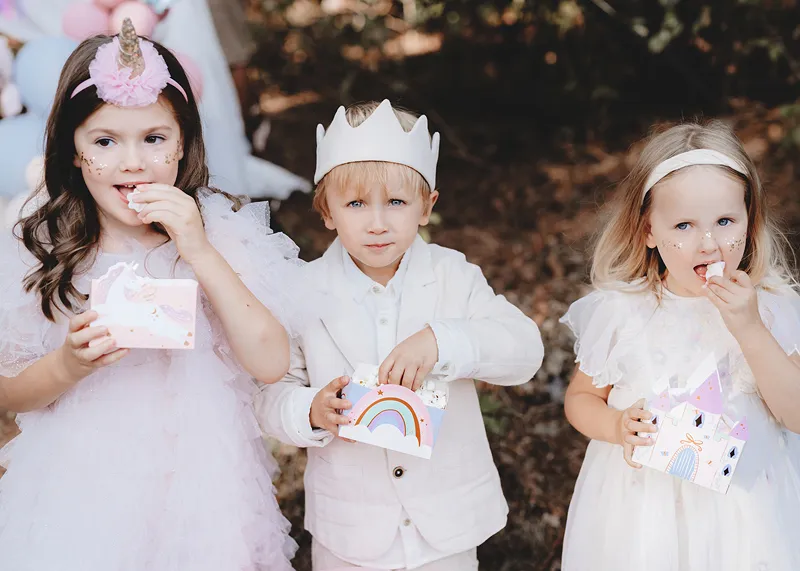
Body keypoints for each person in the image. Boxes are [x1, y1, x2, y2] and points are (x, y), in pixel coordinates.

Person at [0, 21, 300, 570]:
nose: (132, 162)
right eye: (105, 141)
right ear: (72, 149)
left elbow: (271, 361)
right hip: (79, 491)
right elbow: (8, 393)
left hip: (202, 488)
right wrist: (67, 365)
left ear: (183, 142)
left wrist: (200, 250)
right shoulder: (43, 245)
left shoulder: (219, 234)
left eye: (154, 139)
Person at [256, 99, 544, 570]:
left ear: (426, 206)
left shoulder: (452, 276)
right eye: (355, 204)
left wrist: (442, 341)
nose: (377, 223)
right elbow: (268, 395)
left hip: (445, 531)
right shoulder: (302, 291)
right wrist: (310, 409)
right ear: (326, 212)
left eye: (396, 202)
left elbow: (525, 350)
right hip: (351, 536)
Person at [560, 121, 800, 570]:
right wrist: (615, 425)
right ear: (648, 231)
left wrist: (750, 329)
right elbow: (580, 398)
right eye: (684, 225)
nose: (708, 245)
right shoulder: (624, 312)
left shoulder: (771, 309)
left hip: (745, 515)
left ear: (750, 223)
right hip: (644, 514)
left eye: (724, 222)